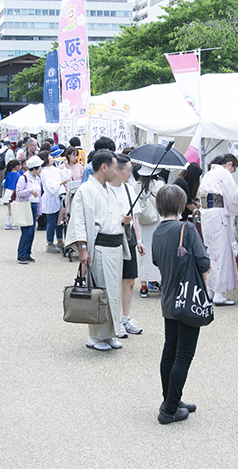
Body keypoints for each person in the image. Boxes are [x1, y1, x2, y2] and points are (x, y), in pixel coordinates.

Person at [152, 184, 210, 424]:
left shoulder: (157, 231)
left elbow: (156, 261)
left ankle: (171, 399)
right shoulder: (186, 228)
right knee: (183, 354)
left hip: (168, 298)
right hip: (188, 298)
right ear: (180, 205)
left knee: (170, 350)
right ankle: (169, 409)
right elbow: (204, 263)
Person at [65, 150, 132, 351]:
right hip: (99, 248)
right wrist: (82, 248)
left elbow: (112, 217)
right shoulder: (86, 190)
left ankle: (109, 333)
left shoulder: (109, 190)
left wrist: (124, 220)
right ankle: (96, 337)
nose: (117, 171)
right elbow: (77, 220)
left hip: (114, 247)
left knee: (112, 292)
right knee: (99, 291)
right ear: (104, 167)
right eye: (114, 167)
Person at [199, 154, 238, 306]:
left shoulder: (208, 174)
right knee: (220, 253)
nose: (232, 171)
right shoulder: (223, 173)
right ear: (230, 164)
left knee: (211, 252)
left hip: (206, 214)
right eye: (233, 168)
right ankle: (218, 293)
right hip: (217, 215)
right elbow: (235, 197)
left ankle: (211, 290)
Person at [108, 154, 143, 337]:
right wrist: (120, 219)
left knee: (129, 280)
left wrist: (139, 240)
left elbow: (135, 217)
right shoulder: (105, 189)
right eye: (128, 170)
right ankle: (113, 319)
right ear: (119, 170)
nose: (131, 173)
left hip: (128, 238)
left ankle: (126, 317)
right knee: (113, 281)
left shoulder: (130, 189)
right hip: (111, 240)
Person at [135, 165, 165, 298]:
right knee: (157, 253)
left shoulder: (135, 185)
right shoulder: (159, 184)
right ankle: (158, 282)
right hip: (155, 223)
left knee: (142, 254)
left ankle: (143, 287)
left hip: (141, 224)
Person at [16, 156, 44, 263]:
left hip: (34, 205)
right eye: (40, 166)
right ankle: (21, 254)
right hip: (26, 205)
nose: (41, 168)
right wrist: (29, 191)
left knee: (32, 232)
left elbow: (40, 196)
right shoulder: (24, 178)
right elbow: (18, 192)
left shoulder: (37, 178)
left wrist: (39, 211)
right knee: (26, 231)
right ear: (35, 168)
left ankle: (27, 253)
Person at [40, 149, 68, 253]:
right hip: (51, 199)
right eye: (49, 156)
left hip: (59, 197)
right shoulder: (44, 172)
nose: (52, 157)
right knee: (52, 222)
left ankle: (60, 241)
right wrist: (61, 183)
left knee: (60, 221)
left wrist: (66, 165)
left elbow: (64, 174)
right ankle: (49, 243)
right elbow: (50, 188)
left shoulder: (53, 168)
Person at [3, 159, 23, 230]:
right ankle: (15, 223)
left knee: (9, 209)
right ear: (17, 166)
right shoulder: (18, 175)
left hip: (8, 192)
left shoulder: (8, 174)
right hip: (14, 193)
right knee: (15, 209)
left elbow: (5, 185)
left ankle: (7, 223)